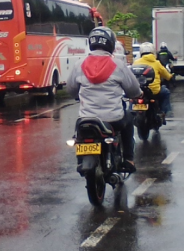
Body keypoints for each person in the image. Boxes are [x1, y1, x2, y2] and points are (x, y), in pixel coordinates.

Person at [67, 27, 142, 172]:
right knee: (128, 119)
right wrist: (137, 95)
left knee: (79, 133)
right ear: (111, 44)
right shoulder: (118, 65)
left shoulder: (79, 65)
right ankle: (128, 159)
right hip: (114, 119)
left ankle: (81, 160)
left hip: (86, 119)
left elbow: (70, 90)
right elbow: (133, 90)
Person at [134, 42, 174, 117]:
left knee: (132, 99)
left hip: (139, 90)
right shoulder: (157, 63)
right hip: (155, 91)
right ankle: (164, 111)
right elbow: (167, 76)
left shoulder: (136, 62)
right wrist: (170, 77)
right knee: (166, 92)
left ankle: (132, 110)